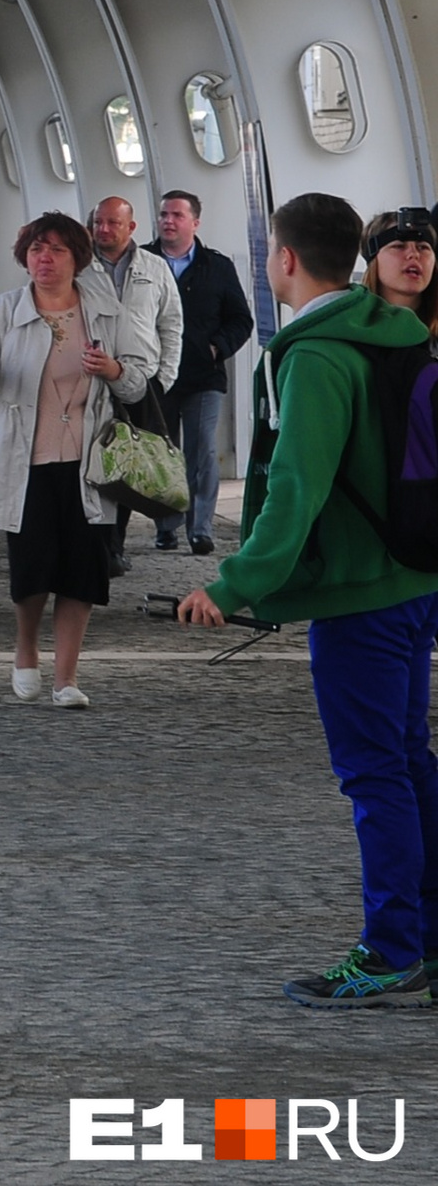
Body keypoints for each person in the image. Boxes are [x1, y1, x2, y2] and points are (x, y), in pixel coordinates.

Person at [180, 193, 438, 1008]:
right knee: (409, 764)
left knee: (375, 778)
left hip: (359, 598)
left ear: (283, 259)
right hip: (416, 577)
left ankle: (392, 950)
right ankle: (427, 942)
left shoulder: (318, 356)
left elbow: (296, 490)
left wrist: (232, 586)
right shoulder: (400, 334)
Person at [0, 212, 159, 709]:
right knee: (32, 570)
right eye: (37, 248)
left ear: (77, 259)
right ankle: (25, 650)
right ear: (24, 257)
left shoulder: (105, 315)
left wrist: (113, 369)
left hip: (90, 463)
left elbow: (137, 381)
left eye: (58, 249)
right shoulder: (1, 313)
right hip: (25, 461)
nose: (46, 258)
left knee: (83, 571)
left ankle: (67, 676)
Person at [91, 195, 186, 575]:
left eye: (113, 223)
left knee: (131, 467)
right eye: (99, 222)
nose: (104, 229)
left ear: (131, 227)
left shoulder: (154, 267)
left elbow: (171, 324)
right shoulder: (80, 267)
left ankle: (115, 545)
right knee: (96, 464)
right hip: (92, 380)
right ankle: (98, 545)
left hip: (142, 382)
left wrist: (165, 376)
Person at [158, 189, 254, 555]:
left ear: (194, 222)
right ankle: (165, 525)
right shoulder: (146, 261)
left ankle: (200, 528)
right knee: (163, 453)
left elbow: (240, 319)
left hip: (203, 375)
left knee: (201, 453)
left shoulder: (218, 266)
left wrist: (216, 347)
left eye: (177, 215)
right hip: (158, 377)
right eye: (164, 214)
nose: (168, 220)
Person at [362, 206, 438, 333]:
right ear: (373, 259)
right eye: (399, 246)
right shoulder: (351, 330)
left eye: (423, 247)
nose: (414, 254)